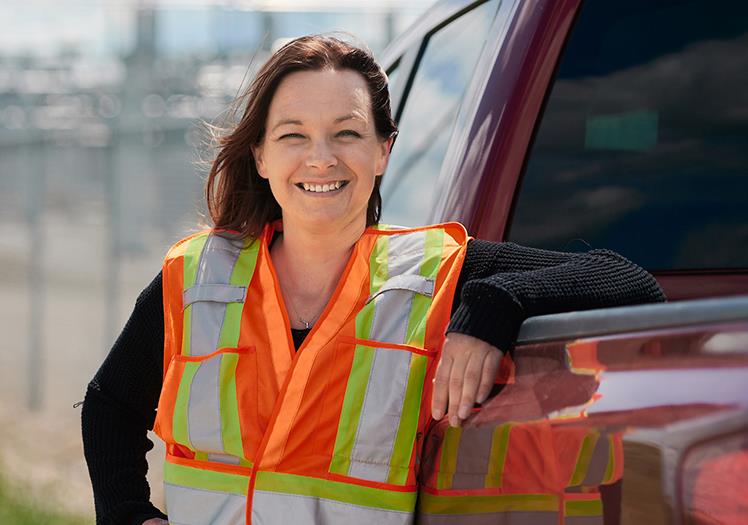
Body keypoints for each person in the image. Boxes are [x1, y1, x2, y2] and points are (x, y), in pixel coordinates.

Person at [81, 35, 664, 525]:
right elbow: (109, 405)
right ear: (260, 156)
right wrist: (129, 514)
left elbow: (630, 280)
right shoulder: (196, 278)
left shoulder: (434, 274)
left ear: (383, 151)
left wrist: (496, 303)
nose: (321, 158)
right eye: (293, 135)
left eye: (347, 133)